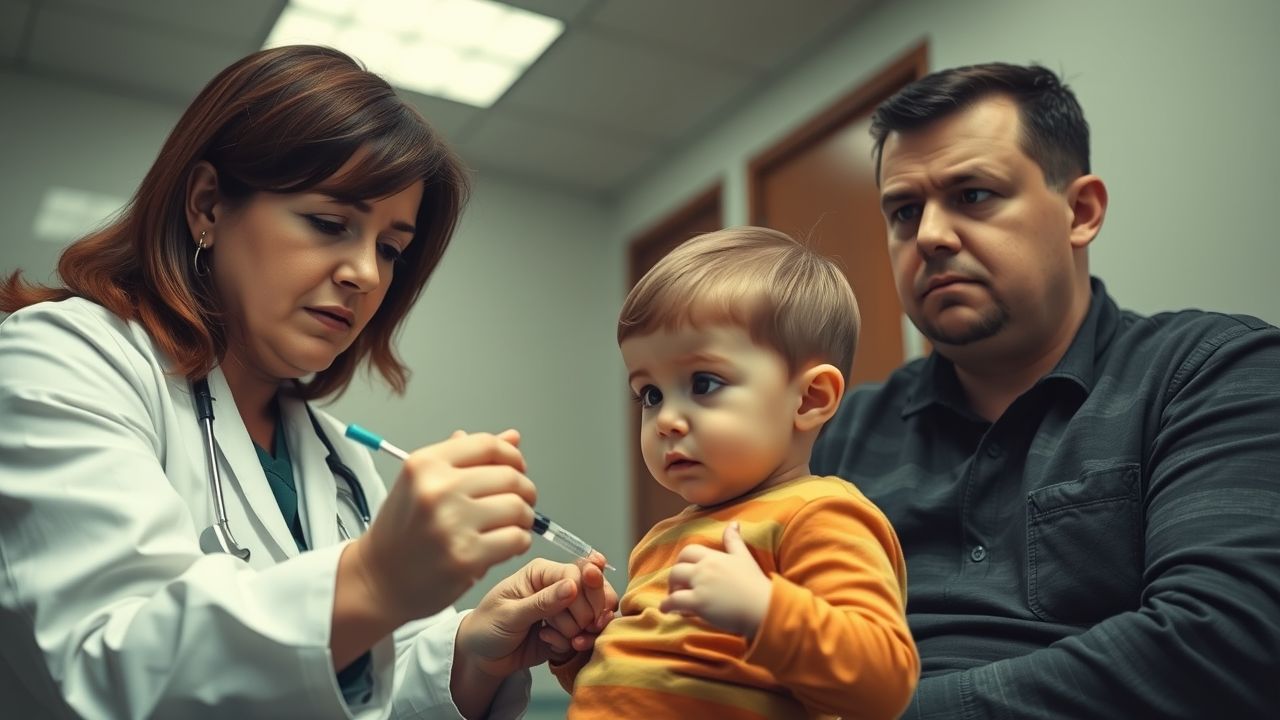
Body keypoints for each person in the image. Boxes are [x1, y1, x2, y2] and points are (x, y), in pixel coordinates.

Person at [0, 45, 614, 719]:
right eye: (329, 223)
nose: (367, 275)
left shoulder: (340, 458)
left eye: (390, 248)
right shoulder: (64, 360)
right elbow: (103, 669)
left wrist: (473, 652)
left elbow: (364, 694)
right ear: (207, 205)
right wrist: (374, 578)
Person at [810, 62, 1280, 717]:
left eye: (973, 195)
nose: (930, 236)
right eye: (904, 211)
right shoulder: (838, 432)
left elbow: (1226, 642)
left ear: (1080, 211)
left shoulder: (1212, 371)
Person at [547, 227, 920, 719]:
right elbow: (656, 682)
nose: (667, 420)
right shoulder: (660, 540)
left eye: (704, 383)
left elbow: (884, 685)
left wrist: (765, 612)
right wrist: (581, 650)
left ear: (810, 399)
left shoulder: (822, 516)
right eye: (650, 394)